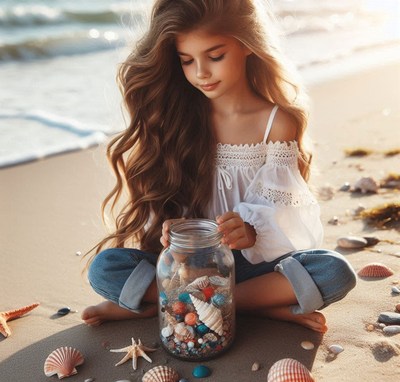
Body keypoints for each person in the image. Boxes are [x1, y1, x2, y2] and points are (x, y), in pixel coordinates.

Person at [82, 0, 356, 333]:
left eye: (215, 56)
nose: (201, 73)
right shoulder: (175, 119)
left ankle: (168, 305)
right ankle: (255, 307)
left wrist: (252, 232)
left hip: (256, 268)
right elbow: (164, 213)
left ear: (247, 46)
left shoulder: (276, 123)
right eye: (186, 60)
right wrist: (174, 231)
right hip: (191, 267)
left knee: (333, 270)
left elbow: (287, 214)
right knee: (104, 268)